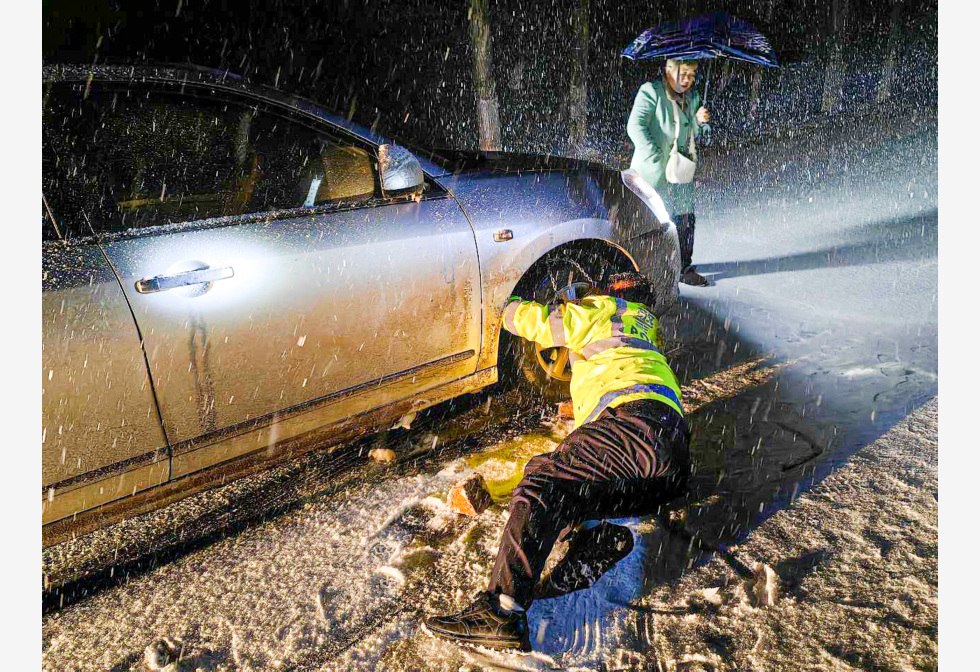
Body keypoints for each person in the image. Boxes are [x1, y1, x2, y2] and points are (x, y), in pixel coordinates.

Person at [423, 272, 691, 651]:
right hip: (672, 456)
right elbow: (619, 375)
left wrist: (501, 306)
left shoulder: (607, 310)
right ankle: (594, 540)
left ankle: (501, 612)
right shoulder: (647, 331)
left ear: (612, 294)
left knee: (542, 484)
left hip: (631, 426)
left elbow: (541, 325)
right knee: (575, 479)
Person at [627, 58, 711, 286]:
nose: (688, 80)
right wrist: (654, 155)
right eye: (683, 73)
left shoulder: (693, 98)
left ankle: (683, 268)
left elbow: (699, 134)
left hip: (681, 170)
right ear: (669, 71)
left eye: (692, 75)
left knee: (685, 218)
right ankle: (644, 269)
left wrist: (701, 122)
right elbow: (635, 126)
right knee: (651, 220)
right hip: (652, 172)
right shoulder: (651, 92)